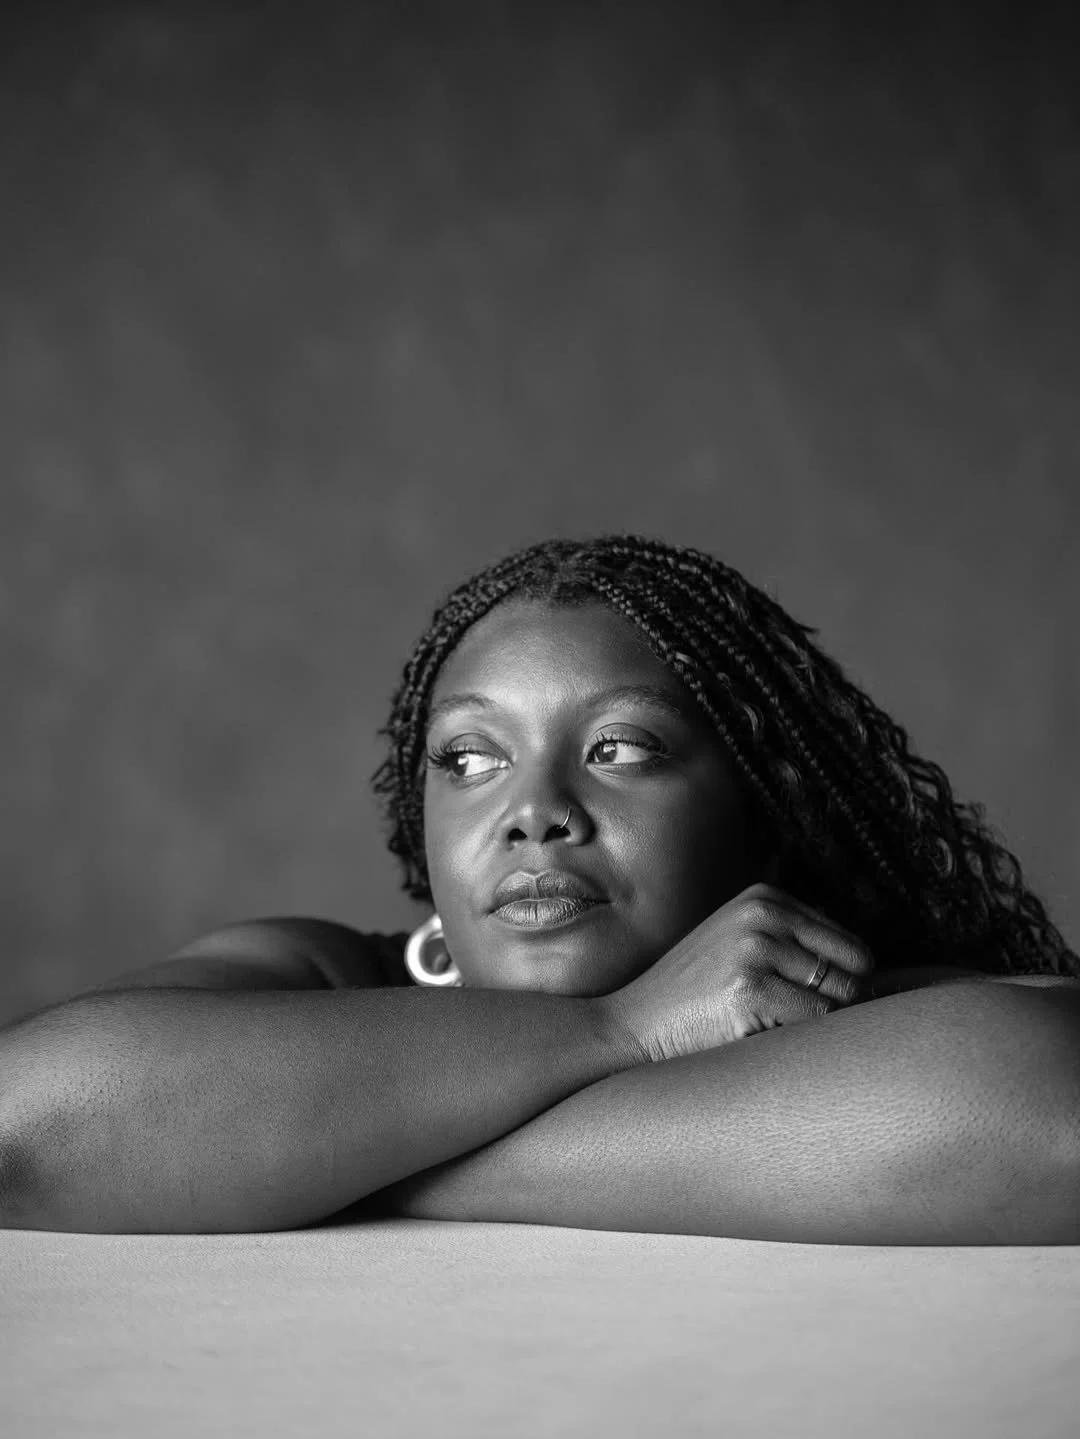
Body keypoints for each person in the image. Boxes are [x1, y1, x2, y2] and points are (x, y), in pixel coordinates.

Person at [2, 534, 1078, 1242]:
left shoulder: (827, 991)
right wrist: (623, 1029)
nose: (534, 810)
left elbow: (1050, 1110)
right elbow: (23, 1119)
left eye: (620, 747)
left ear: (762, 811)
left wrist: (326, 1156)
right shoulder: (320, 967)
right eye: (471, 758)